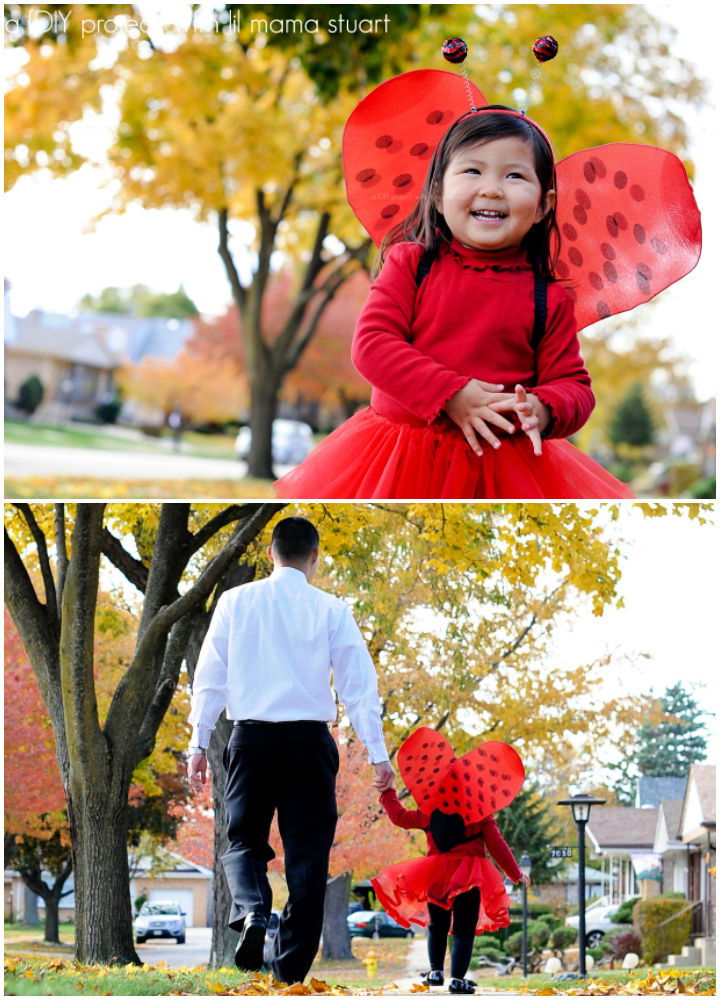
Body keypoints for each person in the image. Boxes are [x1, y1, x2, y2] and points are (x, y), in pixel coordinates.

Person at [275, 106, 638, 500]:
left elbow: (575, 386)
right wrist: (450, 394)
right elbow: (372, 344)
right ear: (437, 193)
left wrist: (545, 407)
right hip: (399, 455)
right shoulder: (411, 264)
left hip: (502, 464)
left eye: (515, 175)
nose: (492, 188)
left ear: (543, 205)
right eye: (472, 171)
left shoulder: (548, 298)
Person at [186, 515, 394, 984]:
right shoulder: (331, 609)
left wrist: (197, 742)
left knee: (241, 841)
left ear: (269, 553)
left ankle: (255, 912)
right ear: (314, 557)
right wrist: (379, 755)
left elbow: (209, 679)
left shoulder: (235, 602)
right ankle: (288, 979)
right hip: (308, 745)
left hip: (251, 740)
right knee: (307, 861)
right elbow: (358, 687)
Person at [371, 776, 529, 995]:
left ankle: (435, 972)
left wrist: (388, 792)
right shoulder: (480, 813)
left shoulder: (428, 811)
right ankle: (457, 980)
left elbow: (399, 817)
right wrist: (515, 873)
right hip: (469, 876)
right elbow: (496, 844)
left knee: (437, 925)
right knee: (464, 930)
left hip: (436, 875)